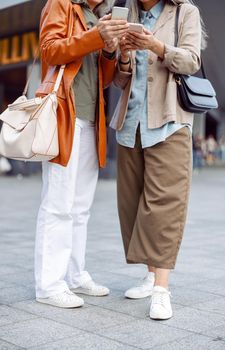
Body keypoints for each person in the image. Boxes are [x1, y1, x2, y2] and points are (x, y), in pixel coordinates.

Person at [111, 0, 205, 320]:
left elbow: (192, 61)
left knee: (165, 204)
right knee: (135, 203)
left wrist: (157, 45)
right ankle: (150, 277)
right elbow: (119, 80)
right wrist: (123, 54)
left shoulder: (185, 12)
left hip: (169, 121)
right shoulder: (125, 14)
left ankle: (162, 290)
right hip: (131, 122)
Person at [34, 0, 129, 308]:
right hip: (65, 115)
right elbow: (49, 51)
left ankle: (74, 275)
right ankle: (49, 285)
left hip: (90, 118)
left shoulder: (95, 14)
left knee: (80, 206)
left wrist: (110, 49)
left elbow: (101, 77)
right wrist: (95, 36)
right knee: (58, 204)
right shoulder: (61, 4)